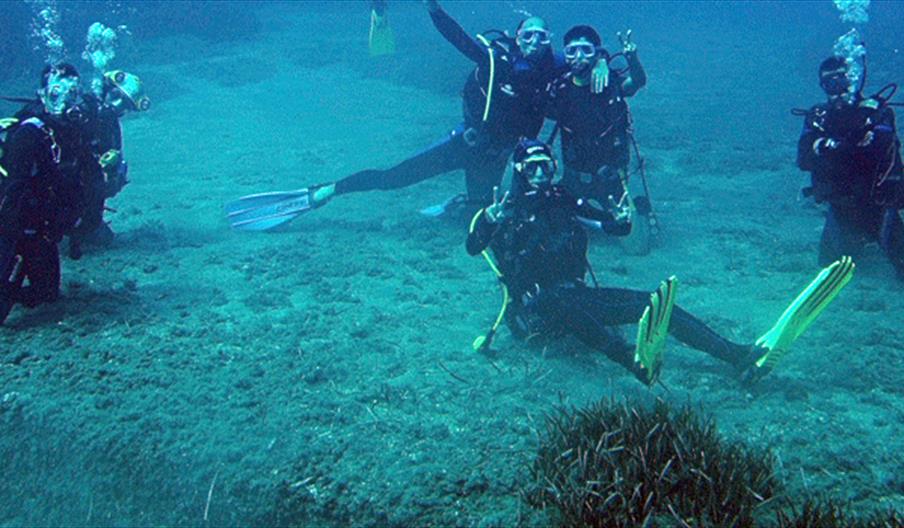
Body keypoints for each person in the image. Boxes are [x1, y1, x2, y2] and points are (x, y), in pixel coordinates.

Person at [467, 139, 855, 385]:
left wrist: (622, 218)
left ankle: (735, 354)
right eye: (531, 167)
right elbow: (474, 245)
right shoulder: (503, 210)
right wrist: (490, 219)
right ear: (517, 171)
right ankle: (631, 362)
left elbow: (611, 227)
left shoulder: (562, 200)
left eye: (545, 165)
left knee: (653, 302)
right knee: (563, 303)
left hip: (576, 297)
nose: (539, 174)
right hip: (533, 314)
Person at [226, 0, 605, 231]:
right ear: (516, 36)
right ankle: (324, 192)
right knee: (395, 177)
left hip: (495, 157)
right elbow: (458, 38)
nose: (536, 42)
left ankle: (458, 205)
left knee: (481, 211)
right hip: (464, 144)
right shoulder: (495, 59)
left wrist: (603, 59)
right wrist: (432, 7)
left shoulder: (556, 66)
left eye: (542, 36)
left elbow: (586, 59)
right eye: (529, 36)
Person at [0, 64, 94, 323]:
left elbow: (83, 180)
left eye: (71, 94)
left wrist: (70, 220)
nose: (64, 102)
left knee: (47, 294)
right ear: (42, 95)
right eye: (56, 94)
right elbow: (12, 192)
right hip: (14, 227)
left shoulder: (75, 133)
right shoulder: (29, 133)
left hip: (42, 230)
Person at [797, 56, 904, 281]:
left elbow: (880, 146)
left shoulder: (877, 112)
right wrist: (850, 143)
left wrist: (828, 147)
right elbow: (804, 158)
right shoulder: (818, 117)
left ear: (854, 80)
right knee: (829, 272)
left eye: (842, 82)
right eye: (830, 85)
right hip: (841, 206)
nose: (837, 91)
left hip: (880, 205)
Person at [547, 25, 652, 254]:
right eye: (572, 51)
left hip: (611, 178)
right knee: (549, 224)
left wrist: (631, 59)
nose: (578, 58)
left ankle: (639, 211)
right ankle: (587, 215)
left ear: (596, 52)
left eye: (585, 50)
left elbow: (636, 82)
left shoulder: (611, 83)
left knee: (638, 248)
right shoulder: (560, 88)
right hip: (573, 177)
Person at [67, 69, 149, 256]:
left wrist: (113, 175)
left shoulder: (110, 127)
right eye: (116, 96)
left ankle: (81, 224)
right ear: (106, 88)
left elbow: (114, 171)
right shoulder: (77, 111)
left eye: (125, 105)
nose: (118, 105)